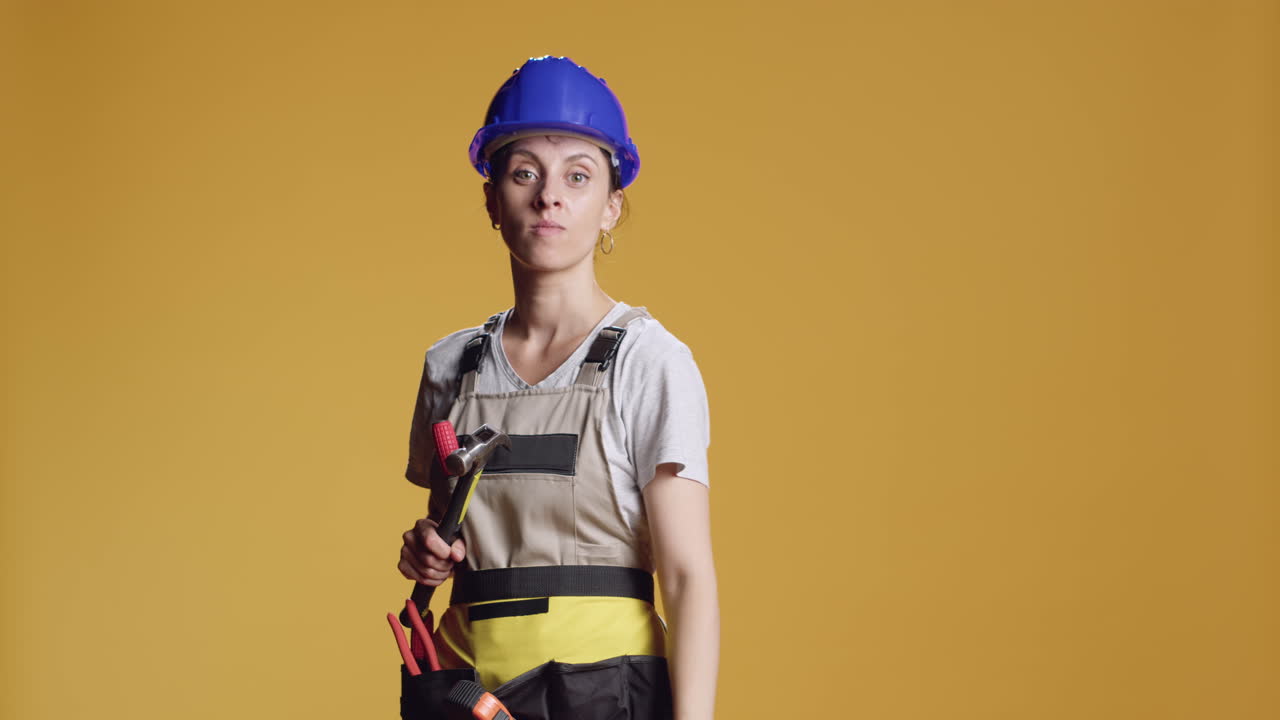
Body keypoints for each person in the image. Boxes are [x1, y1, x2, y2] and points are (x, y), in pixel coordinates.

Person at [397, 56, 718, 720]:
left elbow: (686, 579)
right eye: (524, 174)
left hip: (606, 692)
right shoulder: (451, 366)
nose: (550, 196)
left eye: (578, 176)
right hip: (465, 691)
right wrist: (431, 551)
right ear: (492, 199)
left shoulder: (649, 361)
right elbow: (456, 539)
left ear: (610, 207)